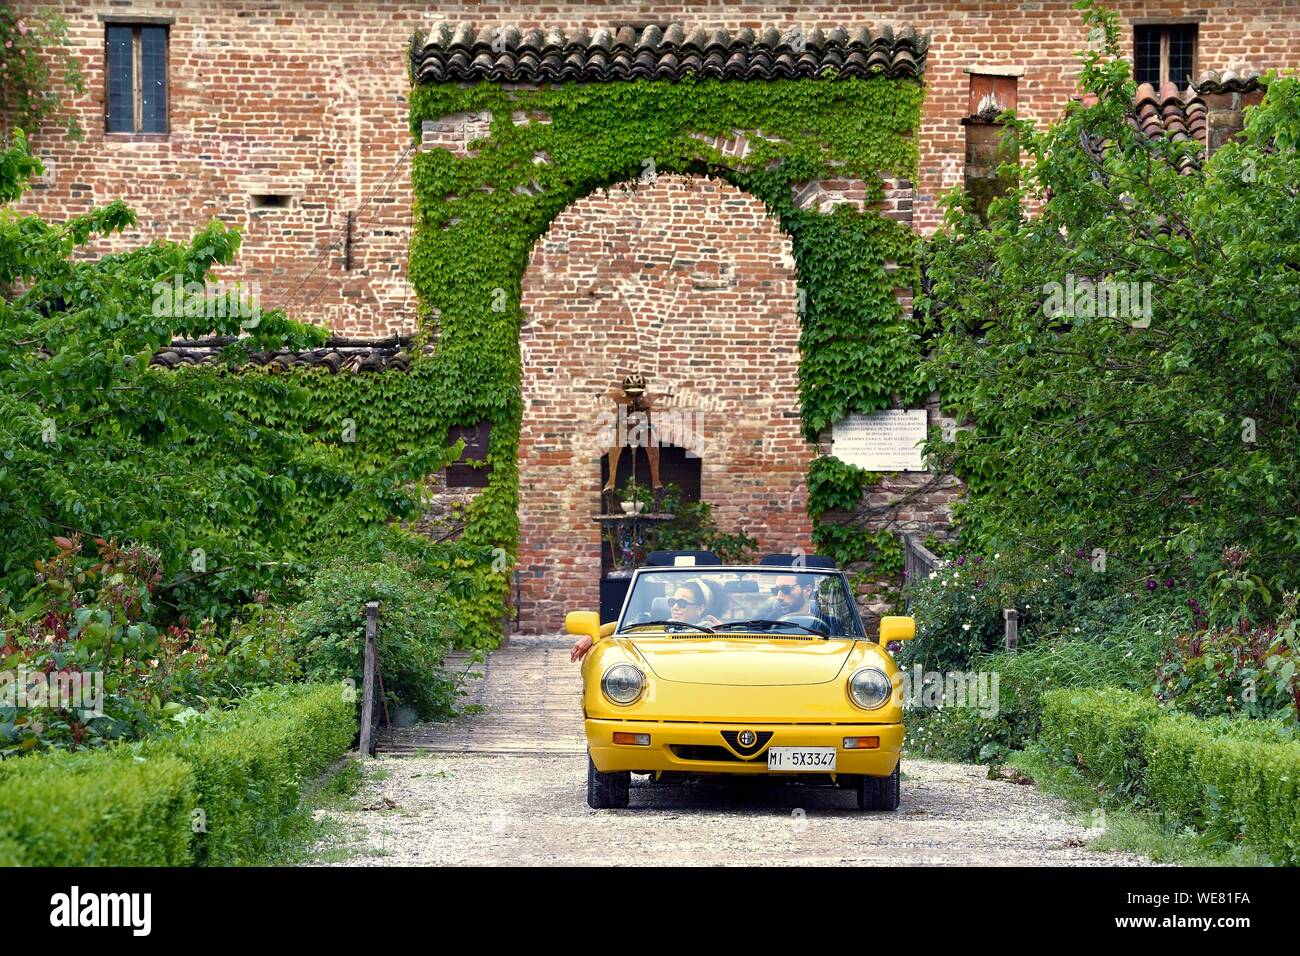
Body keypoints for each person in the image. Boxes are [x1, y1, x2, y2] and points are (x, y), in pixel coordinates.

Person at [571, 578, 722, 663]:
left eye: (682, 603)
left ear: (700, 609)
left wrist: (723, 629)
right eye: (672, 602)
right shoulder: (662, 626)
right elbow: (622, 626)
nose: (675, 607)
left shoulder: (717, 629)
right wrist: (590, 636)